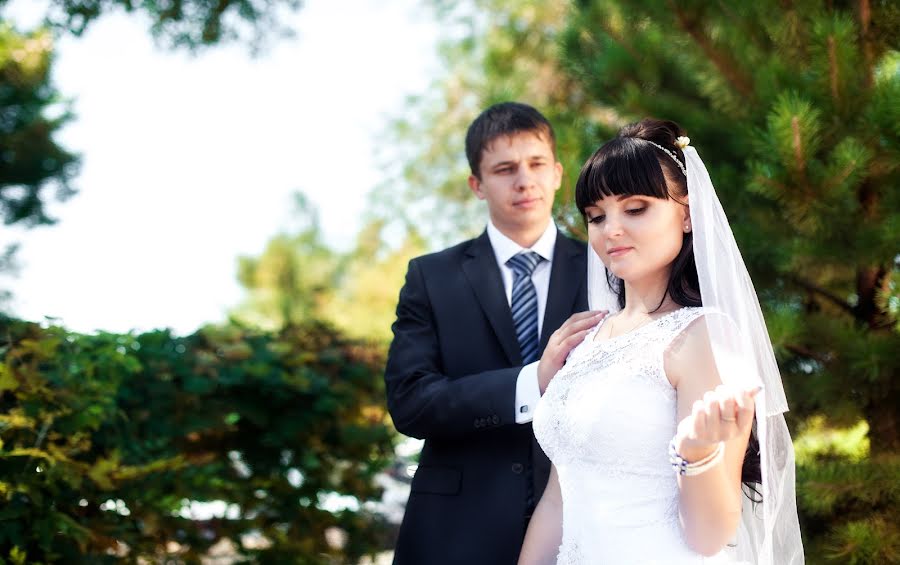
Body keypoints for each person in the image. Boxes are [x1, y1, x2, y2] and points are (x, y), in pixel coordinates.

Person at [519, 119, 804, 564]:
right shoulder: (586, 339)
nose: (611, 228)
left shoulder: (704, 336)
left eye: (635, 209)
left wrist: (700, 453)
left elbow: (710, 537)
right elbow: (558, 500)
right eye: (596, 216)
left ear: (687, 214)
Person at [384, 102, 603, 565]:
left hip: (584, 526)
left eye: (536, 164)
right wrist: (530, 384)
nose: (524, 180)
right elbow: (411, 402)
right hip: (455, 533)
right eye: (504, 169)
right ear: (477, 185)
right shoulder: (431, 277)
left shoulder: (605, 269)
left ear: (558, 172)